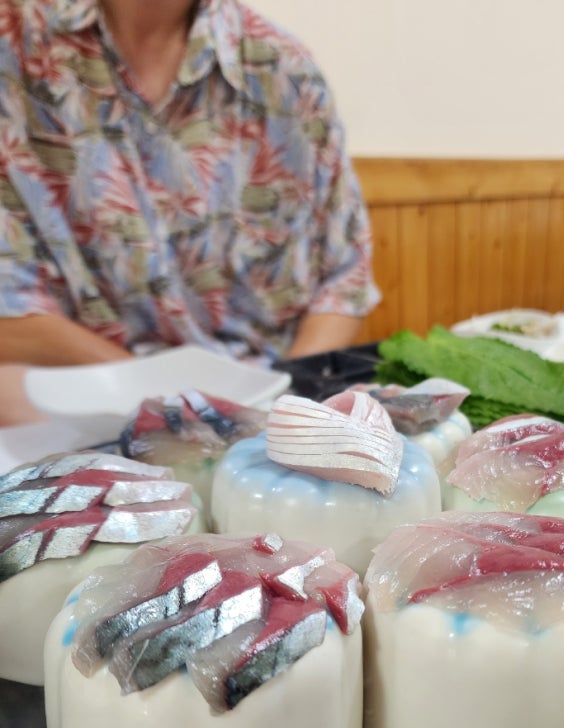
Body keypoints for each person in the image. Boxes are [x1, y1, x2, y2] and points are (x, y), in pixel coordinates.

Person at [0, 0, 380, 422]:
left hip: (260, 403)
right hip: (78, 399)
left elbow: (343, 279)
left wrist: (282, 409)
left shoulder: (282, 71)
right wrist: (160, 398)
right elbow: (10, 306)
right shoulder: (15, 41)